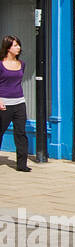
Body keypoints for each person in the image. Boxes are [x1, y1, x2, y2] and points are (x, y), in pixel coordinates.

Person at [0, 35, 31, 172]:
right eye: (15, 45)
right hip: (4, 103)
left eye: (18, 45)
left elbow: (17, 82)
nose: (18, 47)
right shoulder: (0, 64)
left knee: (20, 133)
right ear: (7, 47)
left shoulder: (21, 64)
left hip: (19, 102)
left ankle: (22, 165)